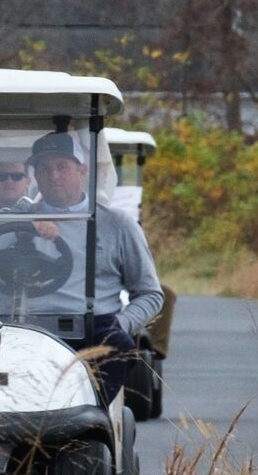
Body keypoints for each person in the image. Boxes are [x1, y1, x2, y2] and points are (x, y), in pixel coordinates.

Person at [22, 130, 164, 404]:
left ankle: (89, 422)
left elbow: (150, 293)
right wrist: (24, 229)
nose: (54, 176)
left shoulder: (118, 224)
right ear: (36, 175)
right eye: (45, 168)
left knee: (118, 346)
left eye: (62, 167)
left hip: (93, 325)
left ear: (82, 170)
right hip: (29, 324)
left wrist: (121, 324)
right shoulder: (18, 221)